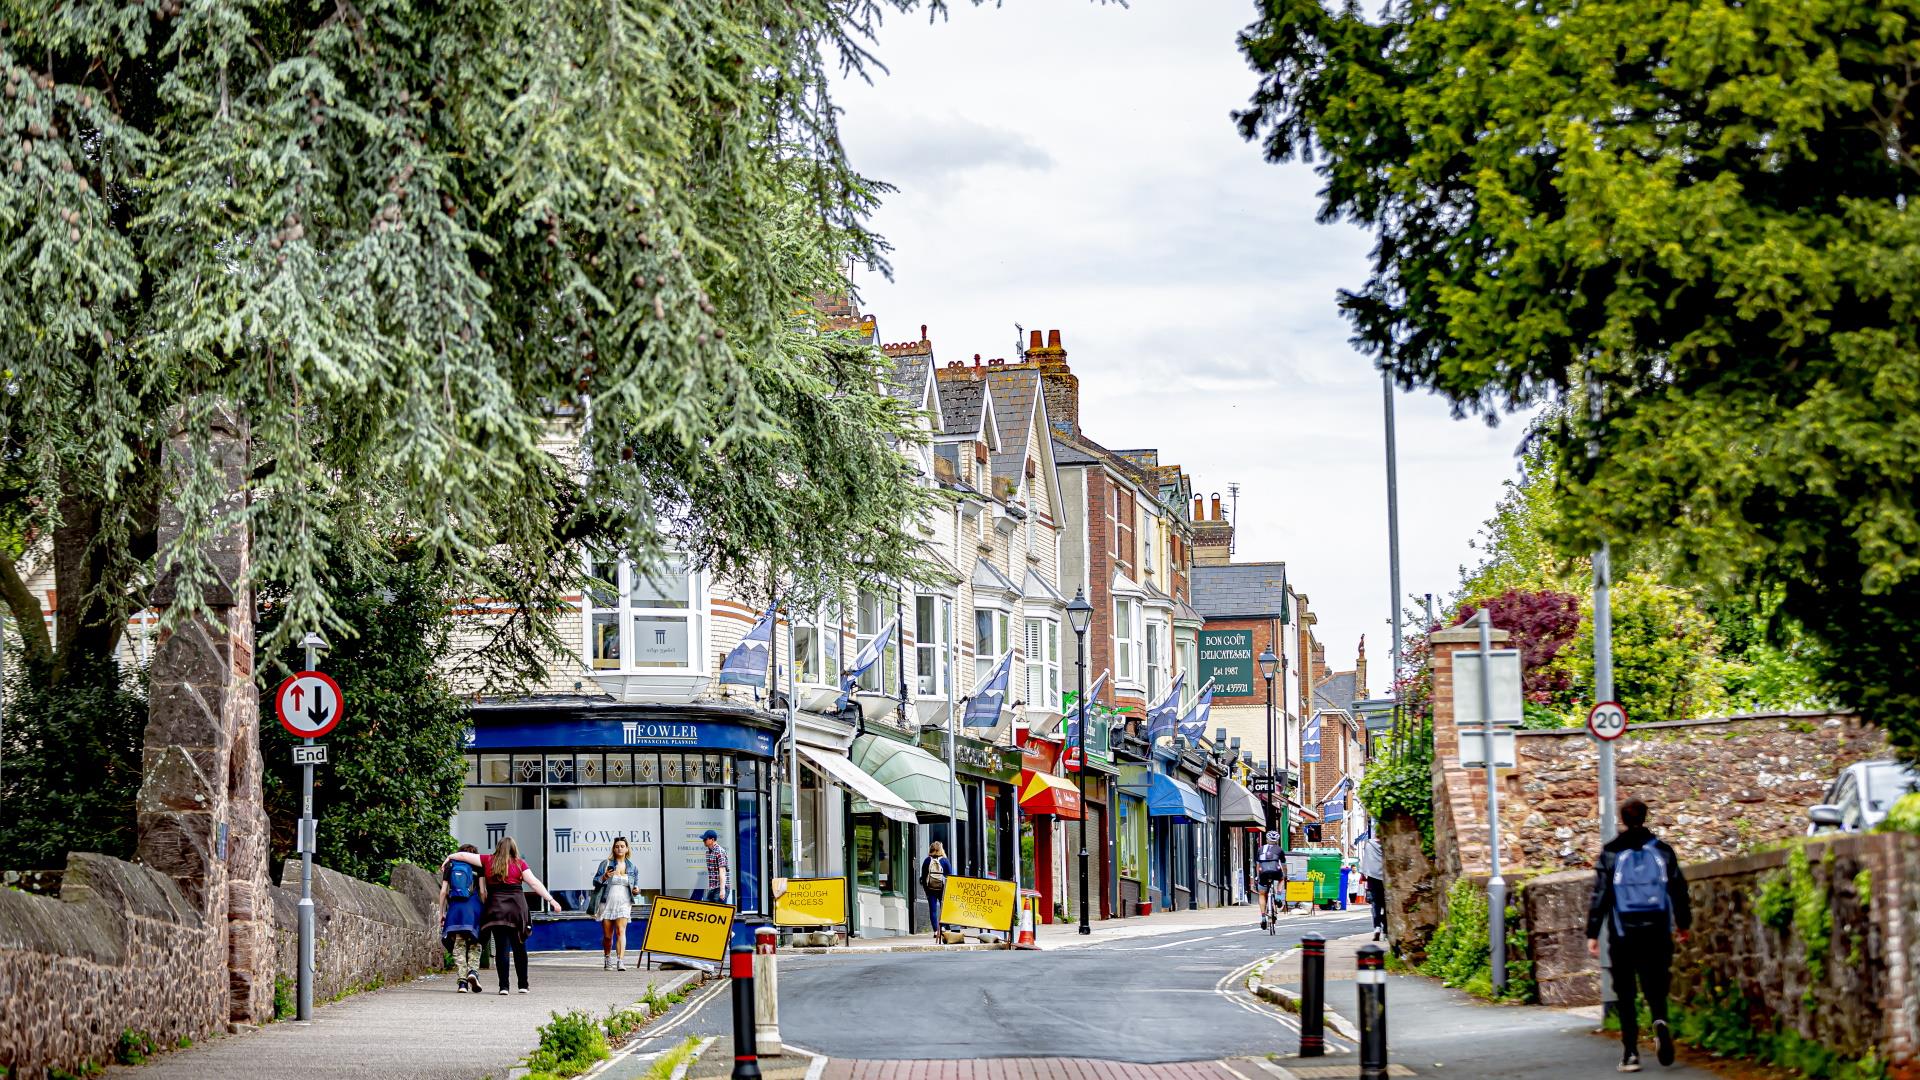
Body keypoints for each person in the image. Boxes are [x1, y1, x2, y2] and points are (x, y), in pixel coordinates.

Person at [1586, 799, 1691, 1073]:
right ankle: (1660, 1021)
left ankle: (1630, 1052)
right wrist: (1683, 924)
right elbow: (1679, 889)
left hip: (1623, 933)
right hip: (1657, 930)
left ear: (1622, 818)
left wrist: (1593, 933)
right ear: (1646, 816)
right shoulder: (1663, 851)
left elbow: (1601, 895)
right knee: (1655, 985)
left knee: (1625, 993)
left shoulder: (1611, 852)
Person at [444, 837, 564, 995]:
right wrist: (552, 900)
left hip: (496, 910)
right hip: (517, 910)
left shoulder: (488, 860)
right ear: (514, 849)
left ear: (498, 847)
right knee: (519, 947)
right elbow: (534, 883)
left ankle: (504, 987)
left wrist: (449, 857)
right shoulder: (520, 864)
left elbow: (464, 856)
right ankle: (523, 985)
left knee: (502, 949)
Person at [441, 843, 487, 993]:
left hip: (456, 909)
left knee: (459, 944)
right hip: (474, 909)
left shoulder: (451, 865)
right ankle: (473, 972)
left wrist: (441, 912)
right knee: (475, 942)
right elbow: (482, 891)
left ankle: (462, 983)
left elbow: (443, 892)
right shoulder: (478, 867)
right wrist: (485, 908)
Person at [592, 837, 640, 971]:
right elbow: (595, 882)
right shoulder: (605, 864)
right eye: (617, 846)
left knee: (621, 931)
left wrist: (636, 890)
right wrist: (605, 877)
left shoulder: (633, 867)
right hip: (606, 902)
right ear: (614, 848)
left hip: (624, 903)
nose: (619, 848)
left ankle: (620, 961)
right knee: (608, 936)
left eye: (622, 846)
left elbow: (635, 886)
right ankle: (607, 958)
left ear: (626, 849)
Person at [919, 840, 954, 939]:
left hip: (930, 889)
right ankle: (943, 928)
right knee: (944, 909)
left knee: (933, 910)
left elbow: (924, 876)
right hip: (942, 888)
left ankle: (935, 931)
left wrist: (926, 891)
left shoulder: (927, 860)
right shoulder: (945, 861)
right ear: (941, 849)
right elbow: (949, 877)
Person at [1358, 833, 1387, 941]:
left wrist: (1364, 872)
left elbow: (1366, 861)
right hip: (1386, 878)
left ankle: (1377, 927)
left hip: (1373, 878)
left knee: (1376, 904)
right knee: (1387, 906)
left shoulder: (1369, 844)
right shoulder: (1387, 844)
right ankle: (1386, 931)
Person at [1255, 830, 1286, 929]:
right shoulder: (1279, 850)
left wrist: (1258, 876)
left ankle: (1263, 917)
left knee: (1262, 894)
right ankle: (1278, 896)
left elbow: (1257, 865)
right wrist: (1285, 875)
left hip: (1263, 872)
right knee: (1281, 879)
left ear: (1267, 839)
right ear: (1277, 840)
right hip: (1275, 871)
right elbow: (1284, 865)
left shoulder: (1260, 849)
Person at [696, 829, 732, 905]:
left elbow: (722, 871)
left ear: (712, 840)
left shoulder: (720, 852)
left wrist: (722, 890)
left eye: (705, 839)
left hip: (721, 887)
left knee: (719, 913)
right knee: (708, 910)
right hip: (713, 887)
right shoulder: (709, 852)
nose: (703, 841)